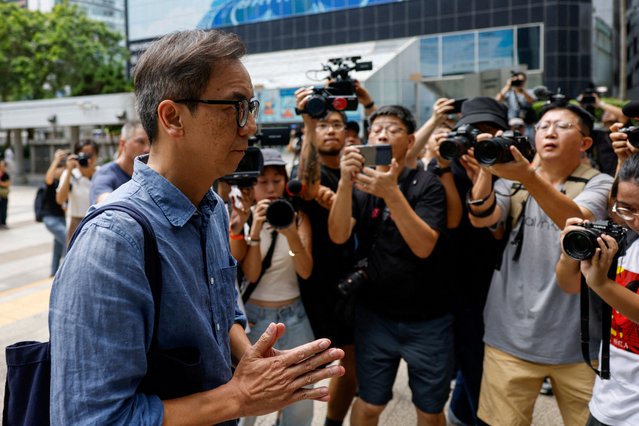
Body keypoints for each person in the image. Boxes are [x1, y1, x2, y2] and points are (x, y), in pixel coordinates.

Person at [49, 29, 344, 425]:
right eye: (235, 107)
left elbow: (221, 314)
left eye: (251, 107)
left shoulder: (212, 209)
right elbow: (91, 418)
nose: (250, 126)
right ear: (172, 117)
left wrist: (253, 358)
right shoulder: (113, 243)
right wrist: (238, 398)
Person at [467, 99, 614, 425]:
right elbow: (483, 218)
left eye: (562, 127)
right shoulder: (513, 182)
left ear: (585, 143)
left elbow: (577, 221)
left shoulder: (599, 183)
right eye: (543, 126)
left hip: (579, 345)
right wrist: (485, 168)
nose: (549, 132)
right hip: (509, 338)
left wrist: (528, 176)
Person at [328, 105, 453, 426]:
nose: (382, 133)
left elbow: (424, 246)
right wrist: (344, 182)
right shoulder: (361, 186)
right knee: (369, 404)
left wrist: (391, 193)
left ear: (410, 140)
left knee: (429, 410)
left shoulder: (427, 184)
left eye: (393, 129)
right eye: (376, 128)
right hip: (375, 317)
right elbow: (339, 234)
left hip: (429, 320)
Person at [230, 148, 315, 426]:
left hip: (295, 315)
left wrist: (290, 232)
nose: (270, 188)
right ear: (251, 185)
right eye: (262, 181)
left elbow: (305, 269)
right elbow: (251, 274)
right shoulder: (242, 218)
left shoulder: (298, 217)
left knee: (301, 401)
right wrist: (254, 230)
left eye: (276, 181)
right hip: (256, 319)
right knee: (249, 404)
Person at [293, 89, 362, 426]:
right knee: (306, 367)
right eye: (323, 125)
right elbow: (304, 186)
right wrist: (308, 123)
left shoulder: (357, 172)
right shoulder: (309, 170)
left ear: (348, 133)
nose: (330, 129)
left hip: (351, 281)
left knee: (349, 369)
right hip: (313, 282)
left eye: (336, 124)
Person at [556, 152, 639, 426]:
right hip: (609, 401)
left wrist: (602, 283)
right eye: (625, 209)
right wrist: (570, 255)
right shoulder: (624, 241)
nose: (635, 221)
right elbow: (568, 285)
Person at [90, 121, 150, 205]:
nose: (147, 149)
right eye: (140, 142)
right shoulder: (105, 173)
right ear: (123, 144)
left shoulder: (147, 174)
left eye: (150, 143)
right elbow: (104, 200)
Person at [56, 139, 99, 244]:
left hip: (98, 222)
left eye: (90, 155)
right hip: (76, 223)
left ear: (96, 156)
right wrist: (69, 170)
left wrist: (90, 172)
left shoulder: (101, 173)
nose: (87, 159)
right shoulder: (70, 174)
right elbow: (60, 200)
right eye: (83, 155)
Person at [42, 149, 68, 276]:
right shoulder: (52, 183)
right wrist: (57, 159)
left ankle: (53, 273)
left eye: (63, 168)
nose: (61, 170)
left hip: (61, 218)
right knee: (67, 240)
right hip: (50, 218)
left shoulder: (65, 182)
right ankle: (65, 272)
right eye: (59, 168)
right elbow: (48, 177)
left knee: (58, 247)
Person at [0, 159, 10, 229]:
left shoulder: (6, 175)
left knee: (4, 209)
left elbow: (7, 184)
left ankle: (3, 223)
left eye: (3, 166)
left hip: (4, 195)